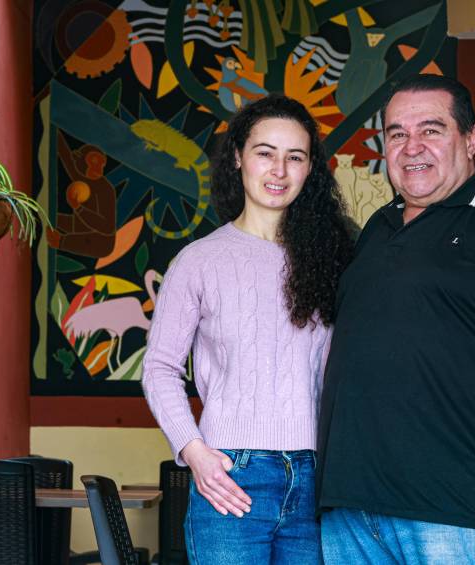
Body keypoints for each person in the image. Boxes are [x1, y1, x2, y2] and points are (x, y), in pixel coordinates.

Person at [316, 74, 475, 564]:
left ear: (470, 138)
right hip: (352, 508)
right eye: (396, 134)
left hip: (457, 513)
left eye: (431, 130)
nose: (412, 147)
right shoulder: (378, 228)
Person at [142, 94, 354, 564]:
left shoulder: (331, 260)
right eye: (265, 153)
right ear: (238, 157)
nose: (278, 170)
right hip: (231, 475)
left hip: (316, 477)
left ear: (309, 169)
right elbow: (159, 367)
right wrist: (193, 451)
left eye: (294, 157)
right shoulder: (198, 261)